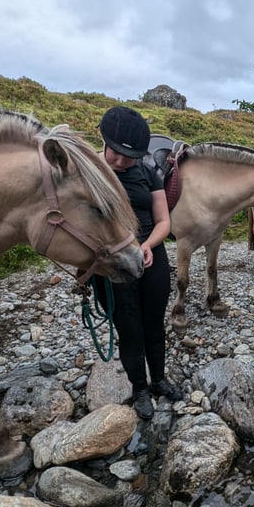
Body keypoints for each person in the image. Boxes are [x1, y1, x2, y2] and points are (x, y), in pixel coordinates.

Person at [94, 105, 181, 420]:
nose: (120, 161)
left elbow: (163, 221)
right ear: (103, 142)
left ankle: (158, 379)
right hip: (112, 260)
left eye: (128, 157)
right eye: (115, 153)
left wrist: (147, 245)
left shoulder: (149, 173)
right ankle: (139, 388)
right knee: (128, 328)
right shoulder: (90, 173)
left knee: (154, 323)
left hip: (149, 253)